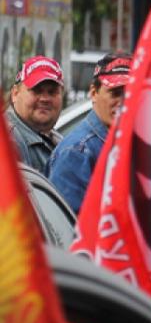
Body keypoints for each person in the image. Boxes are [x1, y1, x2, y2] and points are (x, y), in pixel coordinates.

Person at [49, 52, 131, 211]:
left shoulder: (130, 144)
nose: (123, 101)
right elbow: (68, 221)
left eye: (129, 93)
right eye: (115, 93)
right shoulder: (76, 152)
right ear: (94, 93)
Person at [6, 55, 65, 174]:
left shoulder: (57, 140)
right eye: (37, 90)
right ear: (15, 94)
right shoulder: (8, 139)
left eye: (52, 92)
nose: (45, 99)